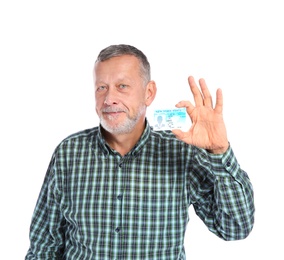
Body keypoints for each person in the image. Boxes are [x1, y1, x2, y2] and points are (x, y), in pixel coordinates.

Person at [25, 44, 255, 259]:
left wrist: (219, 151)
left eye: (122, 86)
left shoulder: (181, 152)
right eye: (101, 87)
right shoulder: (69, 153)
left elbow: (235, 228)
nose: (109, 99)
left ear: (149, 93)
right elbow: (44, 245)